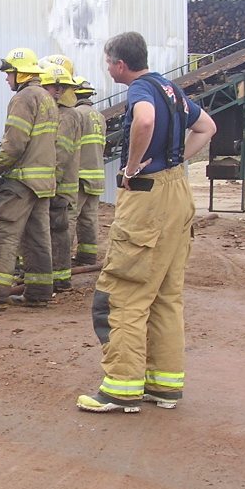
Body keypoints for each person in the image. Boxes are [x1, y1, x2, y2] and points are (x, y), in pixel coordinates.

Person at [77, 32, 216, 413]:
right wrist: (177, 159)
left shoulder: (140, 90)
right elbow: (207, 127)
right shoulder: (171, 89)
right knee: (166, 296)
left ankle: (121, 388)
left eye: (108, 63)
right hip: (178, 195)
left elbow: (145, 120)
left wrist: (132, 166)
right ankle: (164, 385)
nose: (108, 69)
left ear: (121, 64)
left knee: (124, 295)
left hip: (148, 199)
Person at [0, 48, 58, 311]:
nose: (6, 78)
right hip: (43, 183)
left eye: (9, 73)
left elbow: (15, 143)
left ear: (21, 73)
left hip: (21, 181)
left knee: (0, 232)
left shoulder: (23, 98)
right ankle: (39, 292)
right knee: (37, 238)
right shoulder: (46, 98)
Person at [43, 63, 81, 292]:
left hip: (59, 185)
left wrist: (50, 181)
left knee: (57, 230)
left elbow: (61, 152)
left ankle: (59, 278)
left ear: (59, 89)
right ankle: (56, 275)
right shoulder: (60, 114)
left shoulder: (66, 116)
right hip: (57, 182)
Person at [71, 77, 105, 265]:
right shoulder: (99, 116)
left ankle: (61, 258)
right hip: (96, 174)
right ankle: (87, 256)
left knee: (69, 216)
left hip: (79, 175)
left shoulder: (76, 114)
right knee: (89, 217)